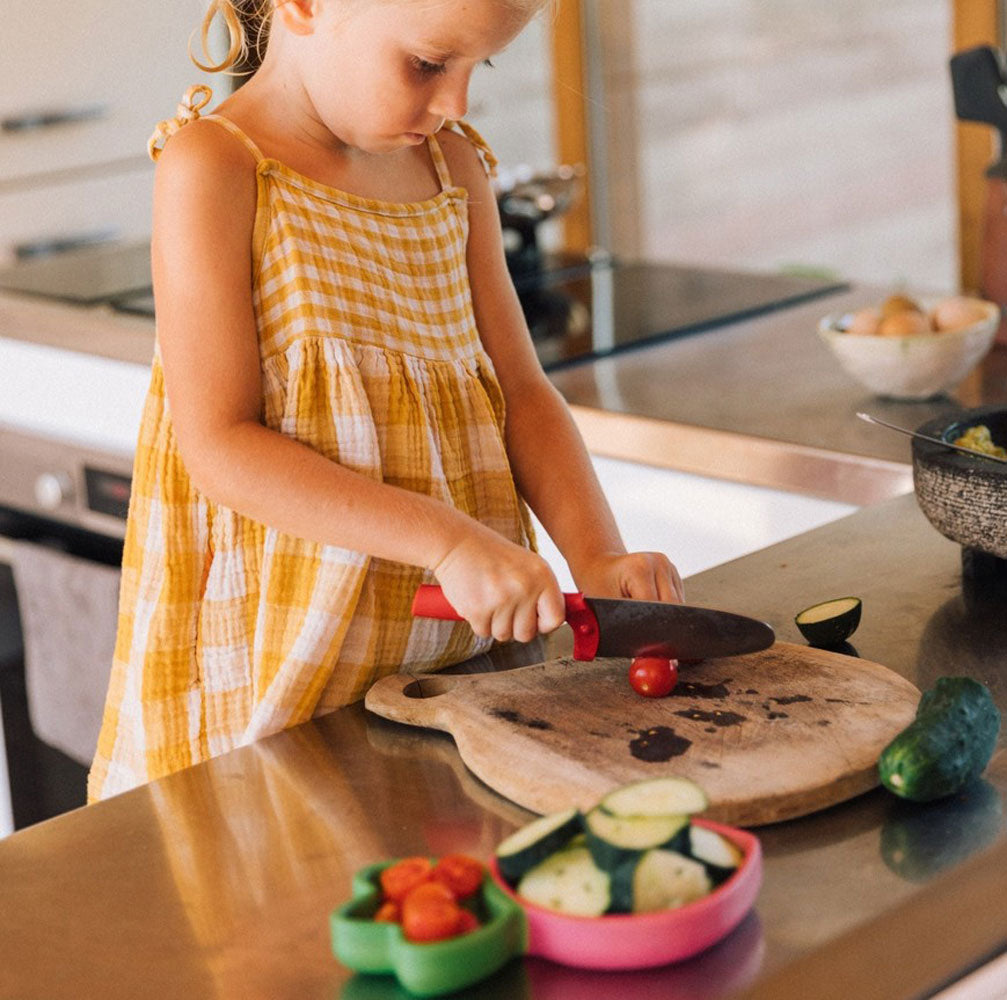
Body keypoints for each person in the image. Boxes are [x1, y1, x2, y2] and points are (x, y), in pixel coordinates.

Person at [88, 0, 683, 802]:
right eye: (429, 64)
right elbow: (220, 445)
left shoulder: (453, 168)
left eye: (477, 66)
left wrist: (596, 555)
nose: (455, 103)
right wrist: (447, 542)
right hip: (285, 665)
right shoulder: (216, 166)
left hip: (461, 654)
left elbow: (521, 392)